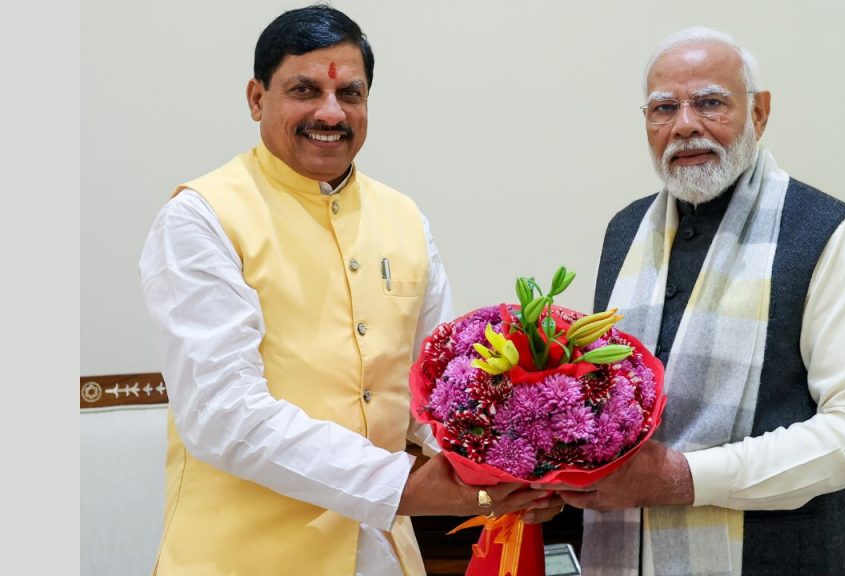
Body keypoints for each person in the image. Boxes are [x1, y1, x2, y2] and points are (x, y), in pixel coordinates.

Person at [138, 5, 560, 575]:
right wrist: (402, 486)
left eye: (351, 94)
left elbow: (438, 395)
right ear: (256, 98)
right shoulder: (202, 217)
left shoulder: (404, 218)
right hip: (242, 559)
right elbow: (223, 414)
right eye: (304, 90)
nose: (330, 112)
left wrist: (517, 471)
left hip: (383, 553)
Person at [534, 26, 845, 575]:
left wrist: (684, 478)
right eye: (664, 108)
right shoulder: (625, 232)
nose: (685, 126)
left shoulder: (827, 232)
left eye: (710, 103)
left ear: (759, 113)